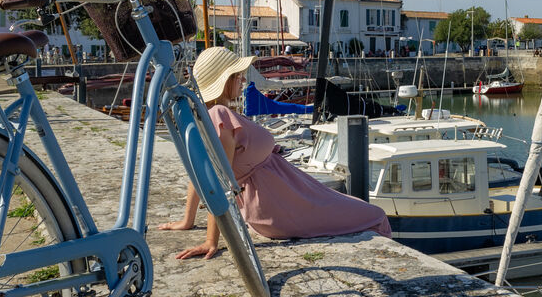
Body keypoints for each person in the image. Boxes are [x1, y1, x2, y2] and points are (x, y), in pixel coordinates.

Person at [162, 46, 391, 259]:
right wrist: (211, 240)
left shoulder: (211, 114)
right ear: (224, 80)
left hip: (288, 193)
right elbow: (219, 179)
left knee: (361, 210)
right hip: (278, 203)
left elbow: (199, 169)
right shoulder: (220, 114)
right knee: (374, 216)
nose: (243, 80)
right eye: (237, 76)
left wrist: (188, 220)